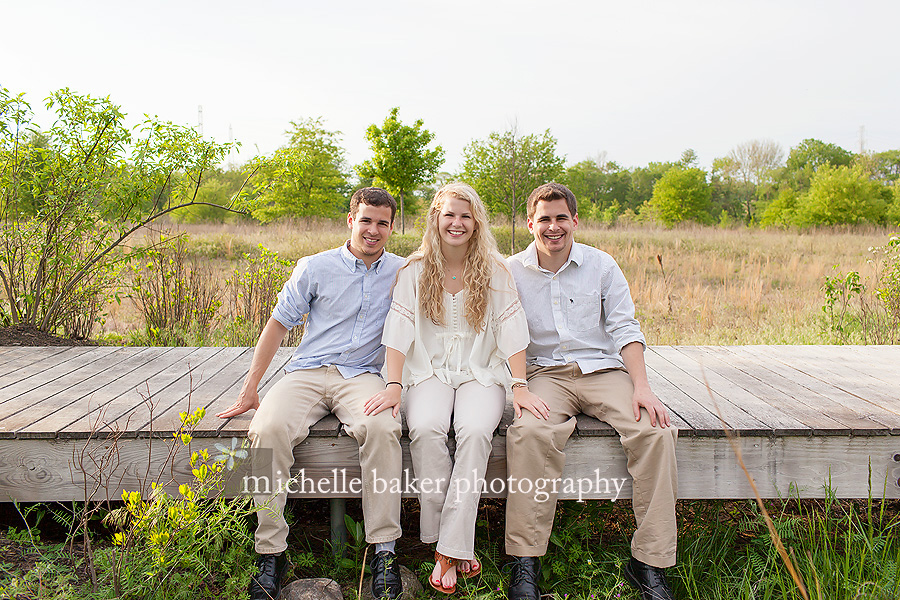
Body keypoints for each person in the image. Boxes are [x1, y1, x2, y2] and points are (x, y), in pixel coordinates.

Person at [216, 187, 407, 600]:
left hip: (364, 376)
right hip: (308, 371)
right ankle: (270, 551)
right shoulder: (315, 267)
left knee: (382, 427)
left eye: (382, 223)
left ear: (392, 228)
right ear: (350, 221)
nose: (373, 230)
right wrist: (251, 388)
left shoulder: (403, 271)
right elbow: (277, 324)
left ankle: (385, 551)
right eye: (366, 220)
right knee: (266, 429)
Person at [503, 183, 678, 600]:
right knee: (529, 434)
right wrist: (519, 386)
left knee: (655, 432)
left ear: (574, 221)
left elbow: (624, 328)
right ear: (530, 223)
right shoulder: (509, 271)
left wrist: (643, 387)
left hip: (601, 371)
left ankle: (649, 562)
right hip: (544, 373)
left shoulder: (601, 265)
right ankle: (525, 563)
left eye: (561, 217)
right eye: (543, 218)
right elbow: (505, 333)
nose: (553, 226)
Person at [366, 182, 535, 594]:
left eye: (465, 215)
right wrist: (392, 385)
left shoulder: (495, 270)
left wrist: (521, 385)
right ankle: (452, 545)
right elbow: (399, 328)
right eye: (449, 215)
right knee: (425, 429)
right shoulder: (415, 270)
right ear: (435, 220)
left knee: (476, 432)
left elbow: (511, 329)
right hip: (428, 373)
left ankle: (447, 550)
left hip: (483, 373)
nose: (456, 223)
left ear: (476, 221)